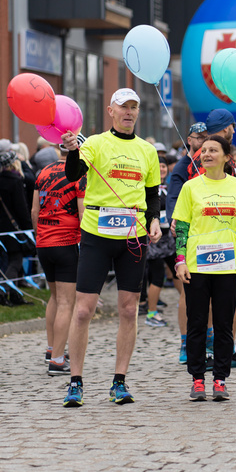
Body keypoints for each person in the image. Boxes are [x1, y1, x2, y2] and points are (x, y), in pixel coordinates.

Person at [59, 88, 162, 407]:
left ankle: (119, 381)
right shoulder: (95, 143)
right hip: (97, 234)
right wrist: (73, 149)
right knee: (84, 309)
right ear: (111, 111)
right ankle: (75, 381)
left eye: (134, 107)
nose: (129, 112)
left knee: (130, 309)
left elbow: (152, 192)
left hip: (134, 233)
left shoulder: (148, 150)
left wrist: (156, 219)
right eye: (123, 107)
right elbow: (73, 173)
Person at [174, 135, 236, 401]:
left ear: (226, 157)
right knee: (196, 324)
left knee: (223, 325)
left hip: (229, 265)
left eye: (213, 150)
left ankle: (220, 379)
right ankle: (197, 379)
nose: (206, 154)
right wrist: (179, 260)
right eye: (204, 150)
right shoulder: (190, 187)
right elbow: (182, 229)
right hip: (197, 265)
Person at [32, 135, 86, 375]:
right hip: (66, 242)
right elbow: (83, 213)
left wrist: (41, 235)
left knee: (54, 298)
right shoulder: (79, 175)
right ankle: (56, 360)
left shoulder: (43, 172)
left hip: (44, 241)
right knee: (66, 302)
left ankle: (52, 348)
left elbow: (34, 210)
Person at [166, 122, 208, 364]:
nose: (202, 142)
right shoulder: (184, 166)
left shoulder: (213, 162)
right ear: (188, 140)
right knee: (188, 291)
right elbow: (173, 195)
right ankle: (185, 342)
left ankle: (208, 340)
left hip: (212, 233)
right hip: (190, 234)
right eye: (197, 138)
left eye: (205, 137)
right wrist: (174, 219)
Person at [0, 150, 33, 306]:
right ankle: (3, 294)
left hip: (2, 227)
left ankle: (15, 295)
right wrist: (29, 228)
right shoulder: (16, 180)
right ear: (15, 163)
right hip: (16, 227)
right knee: (16, 262)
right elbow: (22, 208)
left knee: (11, 261)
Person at [144, 156, 176, 328]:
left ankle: (188, 303)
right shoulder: (148, 187)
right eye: (158, 166)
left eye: (163, 166)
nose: (162, 169)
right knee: (157, 277)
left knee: (179, 272)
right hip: (154, 239)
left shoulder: (171, 187)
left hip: (169, 239)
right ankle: (151, 313)